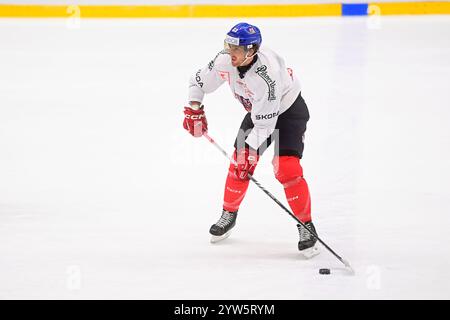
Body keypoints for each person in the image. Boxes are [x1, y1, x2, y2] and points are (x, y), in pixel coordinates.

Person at [183, 22, 319, 258]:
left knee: (287, 169)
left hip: (289, 112)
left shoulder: (267, 77)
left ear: (252, 50)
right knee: (239, 165)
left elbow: (265, 127)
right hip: (260, 114)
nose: (230, 52)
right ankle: (229, 214)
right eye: (228, 46)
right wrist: (195, 108)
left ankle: (306, 225)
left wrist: (249, 153)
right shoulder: (225, 60)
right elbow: (198, 82)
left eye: (236, 49)